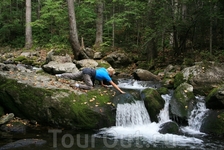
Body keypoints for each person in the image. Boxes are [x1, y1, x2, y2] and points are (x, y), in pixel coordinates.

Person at [55, 67, 125, 94]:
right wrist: (120, 91)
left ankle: (60, 75)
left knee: (73, 75)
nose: (111, 75)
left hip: (87, 69)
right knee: (90, 86)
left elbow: (100, 77)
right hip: (88, 74)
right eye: (111, 74)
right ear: (110, 73)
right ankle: (77, 85)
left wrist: (102, 84)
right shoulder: (107, 76)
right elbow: (113, 84)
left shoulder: (104, 69)